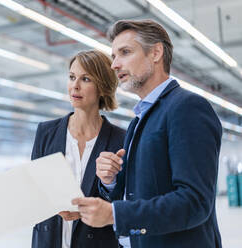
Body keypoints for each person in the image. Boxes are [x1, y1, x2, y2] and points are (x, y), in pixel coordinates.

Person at [72, 20, 223, 248]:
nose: (114, 65)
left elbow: (195, 202)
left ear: (156, 52)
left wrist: (116, 214)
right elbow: (138, 194)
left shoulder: (187, 107)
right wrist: (111, 181)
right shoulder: (139, 120)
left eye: (125, 52)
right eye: (114, 56)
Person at [31, 50, 126, 248]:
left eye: (85, 79)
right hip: (50, 240)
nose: (75, 85)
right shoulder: (46, 132)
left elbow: (124, 200)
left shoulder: (120, 139)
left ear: (102, 86)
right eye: (72, 77)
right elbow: (36, 191)